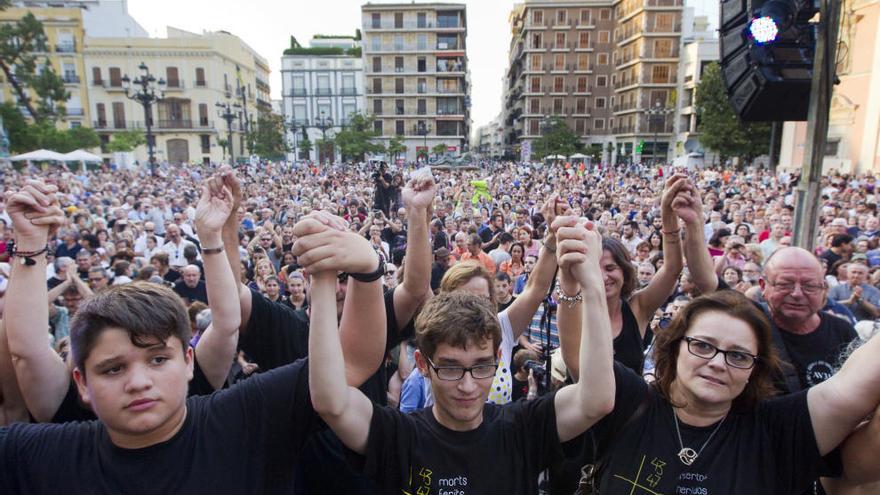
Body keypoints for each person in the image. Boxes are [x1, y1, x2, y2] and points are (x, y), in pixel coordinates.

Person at [0, 180, 344, 493]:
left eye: (158, 359)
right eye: (112, 369)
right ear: (82, 382)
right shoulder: (45, 451)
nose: (138, 382)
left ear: (188, 360)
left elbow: (227, 322)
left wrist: (210, 238)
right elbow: (27, 349)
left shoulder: (237, 418)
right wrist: (30, 245)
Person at [306, 214, 615, 492]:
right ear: (422, 364)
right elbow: (331, 401)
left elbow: (597, 398)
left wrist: (592, 284)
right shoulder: (401, 439)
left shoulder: (522, 429)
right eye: (450, 369)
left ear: (497, 357)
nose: (468, 386)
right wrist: (322, 278)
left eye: (481, 367)